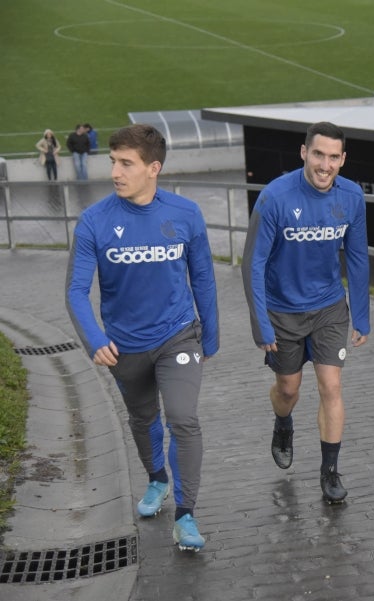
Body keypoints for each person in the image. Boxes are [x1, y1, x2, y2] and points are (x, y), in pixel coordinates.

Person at [66, 124, 219, 551]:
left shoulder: (185, 214)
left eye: (125, 163)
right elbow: (76, 290)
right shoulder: (94, 222)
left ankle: (186, 515)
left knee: (184, 418)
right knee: (143, 419)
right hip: (123, 347)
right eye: (112, 161)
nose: (115, 171)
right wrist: (95, 339)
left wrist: (211, 337)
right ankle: (156, 480)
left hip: (178, 335)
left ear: (153, 168)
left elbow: (203, 278)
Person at [241, 121, 370, 504]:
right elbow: (253, 263)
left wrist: (361, 315)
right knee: (289, 389)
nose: (325, 165)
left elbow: (359, 257)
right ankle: (283, 423)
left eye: (333, 157)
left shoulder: (352, 197)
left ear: (342, 160)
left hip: (329, 308)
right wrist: (260, 324)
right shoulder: (275, 197)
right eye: (318, 155)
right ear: (304, 153)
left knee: (331, 386)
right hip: (282, 313)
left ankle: (329, 471)